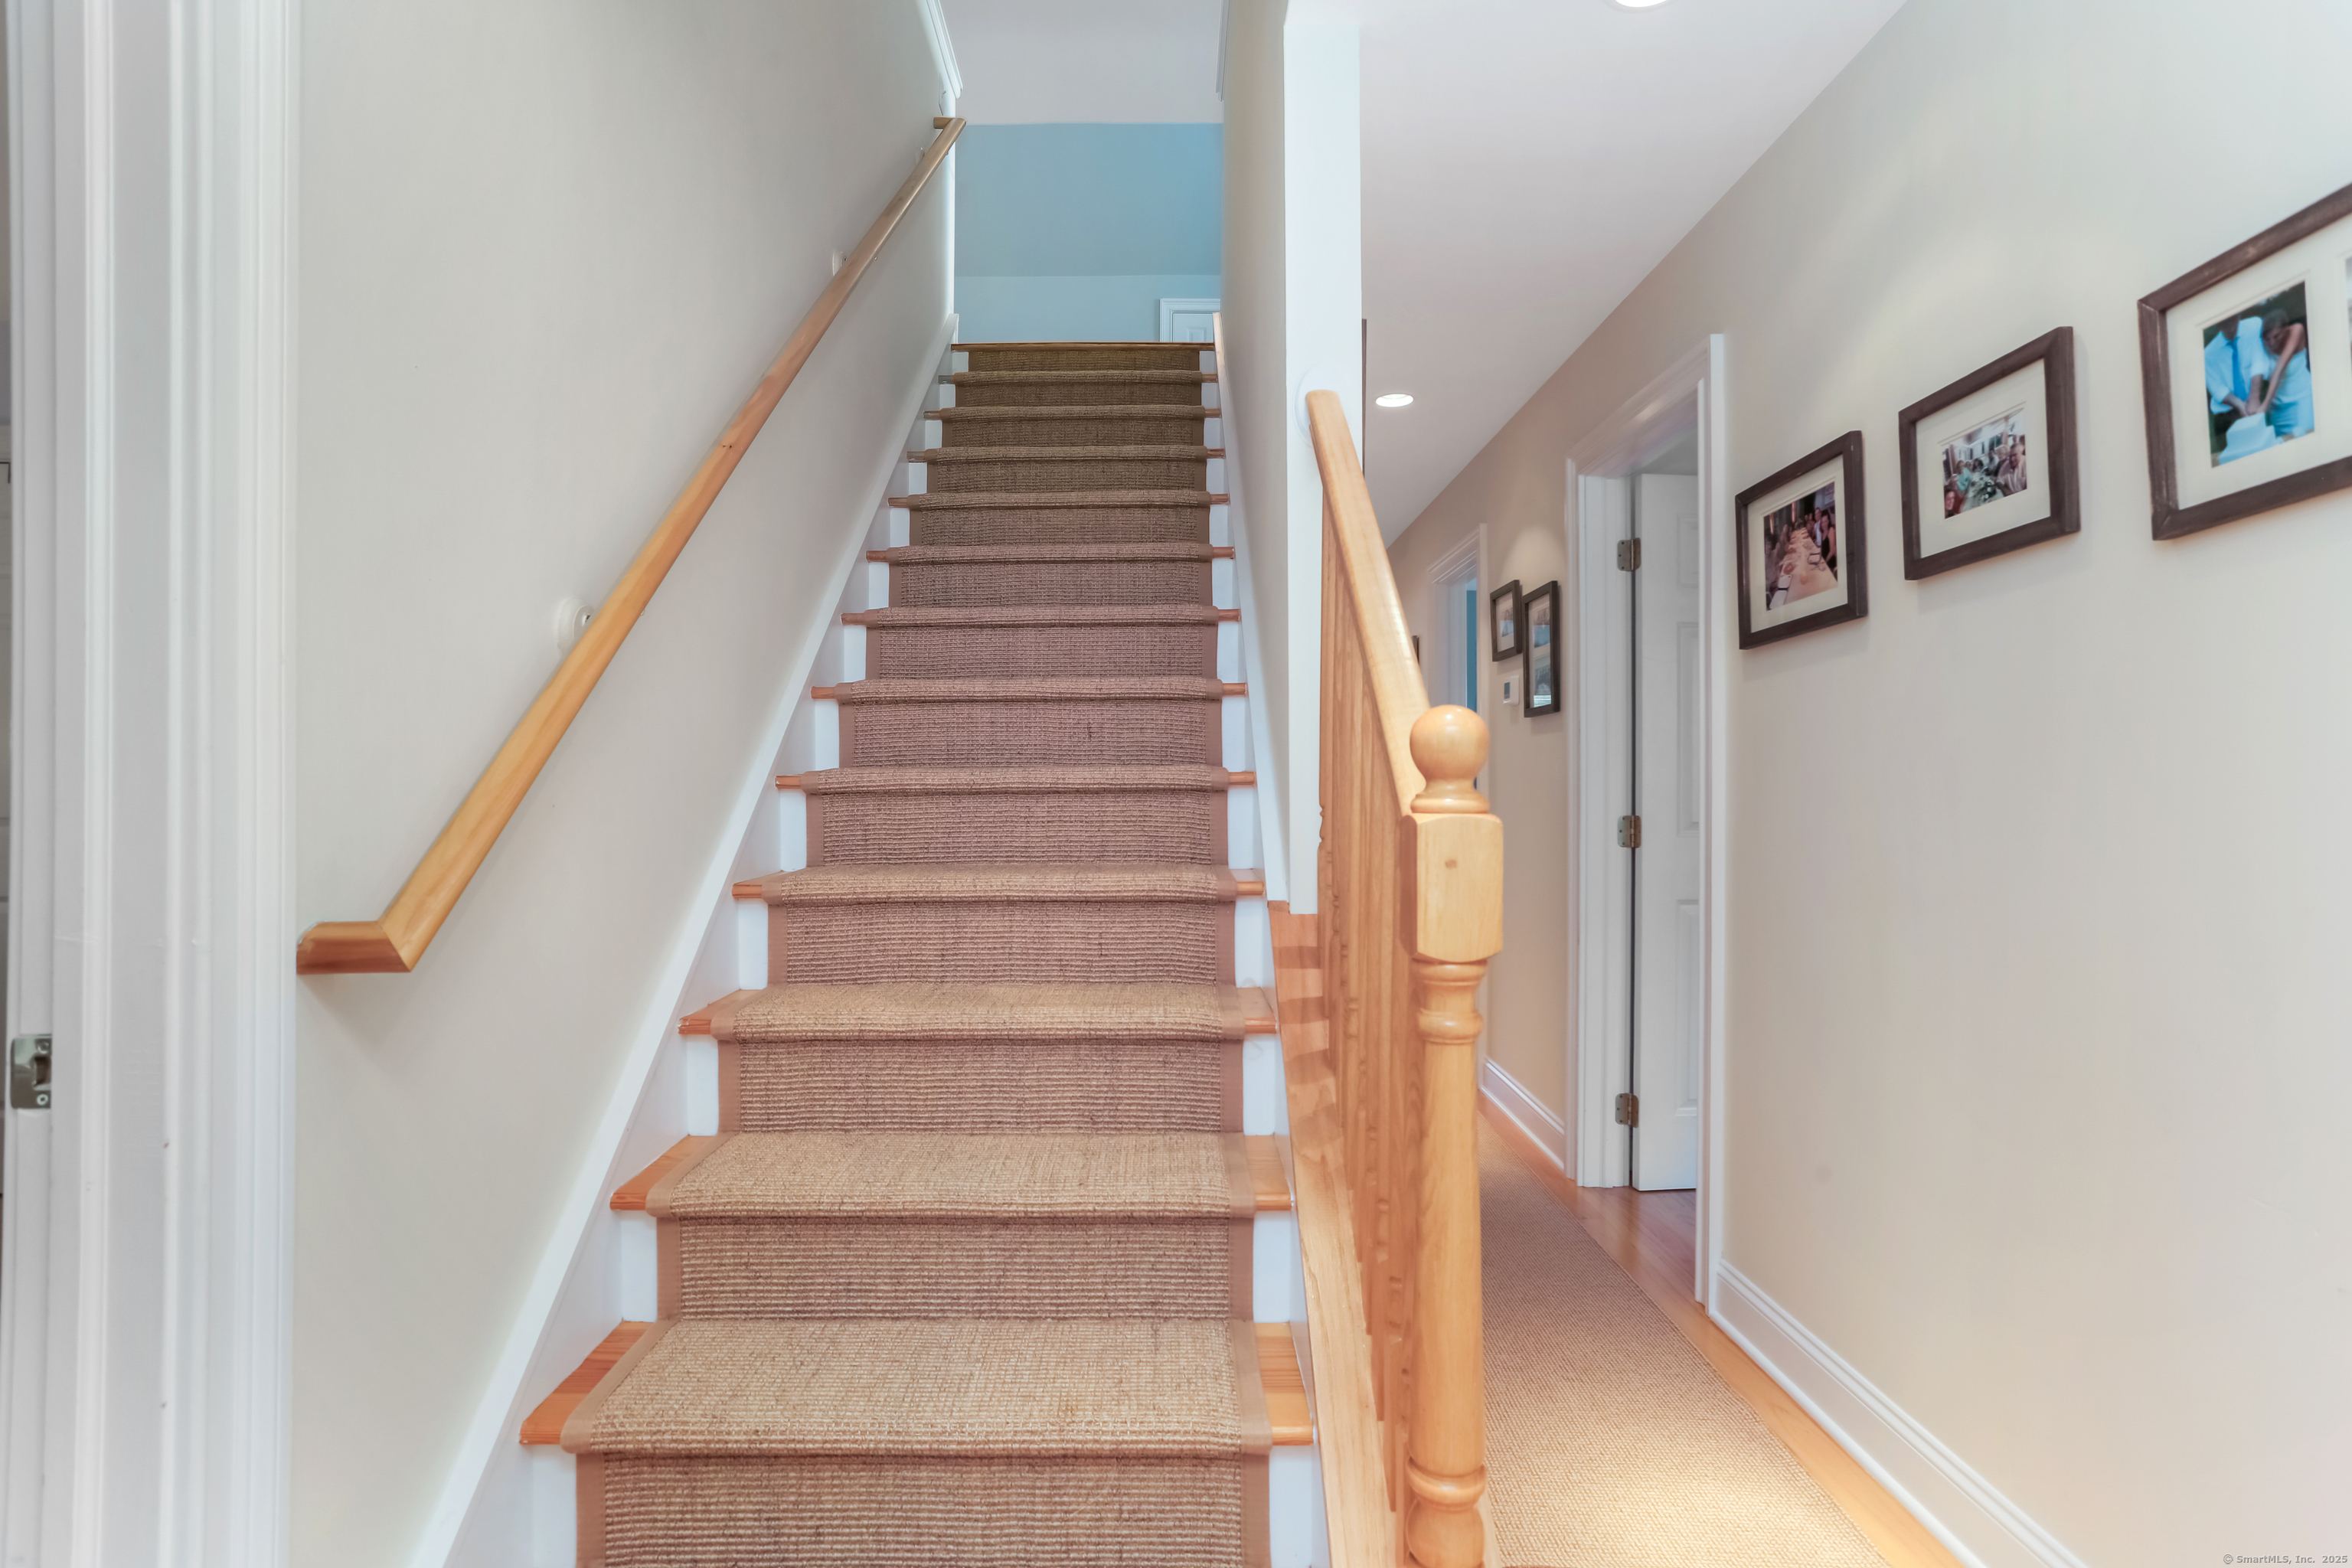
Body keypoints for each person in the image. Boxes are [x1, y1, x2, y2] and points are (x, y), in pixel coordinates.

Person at [2258, 312, 2312, 442]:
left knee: (2305, 442)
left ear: (2286, 330)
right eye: (2267, 338)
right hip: (2279, 409)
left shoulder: (2296, 330)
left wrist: (2264, 405)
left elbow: (2279, 369)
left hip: (2302, 400)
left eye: (2276, 336)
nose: (2271, 342)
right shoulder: (2262, 344)